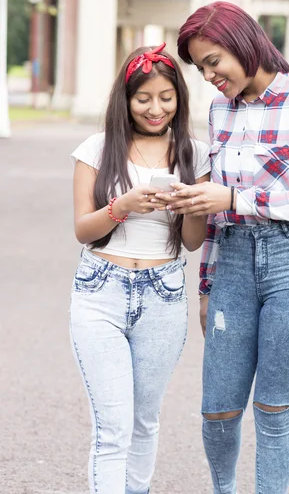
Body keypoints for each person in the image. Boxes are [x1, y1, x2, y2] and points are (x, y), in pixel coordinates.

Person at [154, 2, 289, 493]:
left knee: (274, 406)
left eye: (213, 61)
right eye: (201, 68)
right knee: (217, 408)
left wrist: (236, 197)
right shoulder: (221, 109)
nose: (208, 76)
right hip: (234, 264)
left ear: (244, 42)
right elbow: (216, 210)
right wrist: (206, 285)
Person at [69, 44, 210, 494]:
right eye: (143, 98)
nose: (155, 108)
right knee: (112, 427)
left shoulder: (196, 154)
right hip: (100, 290)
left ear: (179, 99)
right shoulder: (97, 149)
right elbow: (83, 230)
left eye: (166, 97)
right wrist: (122, 206)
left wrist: (190, 204)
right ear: (125, 100)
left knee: (144, 422)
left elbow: (191, 242)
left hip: (163, 294)